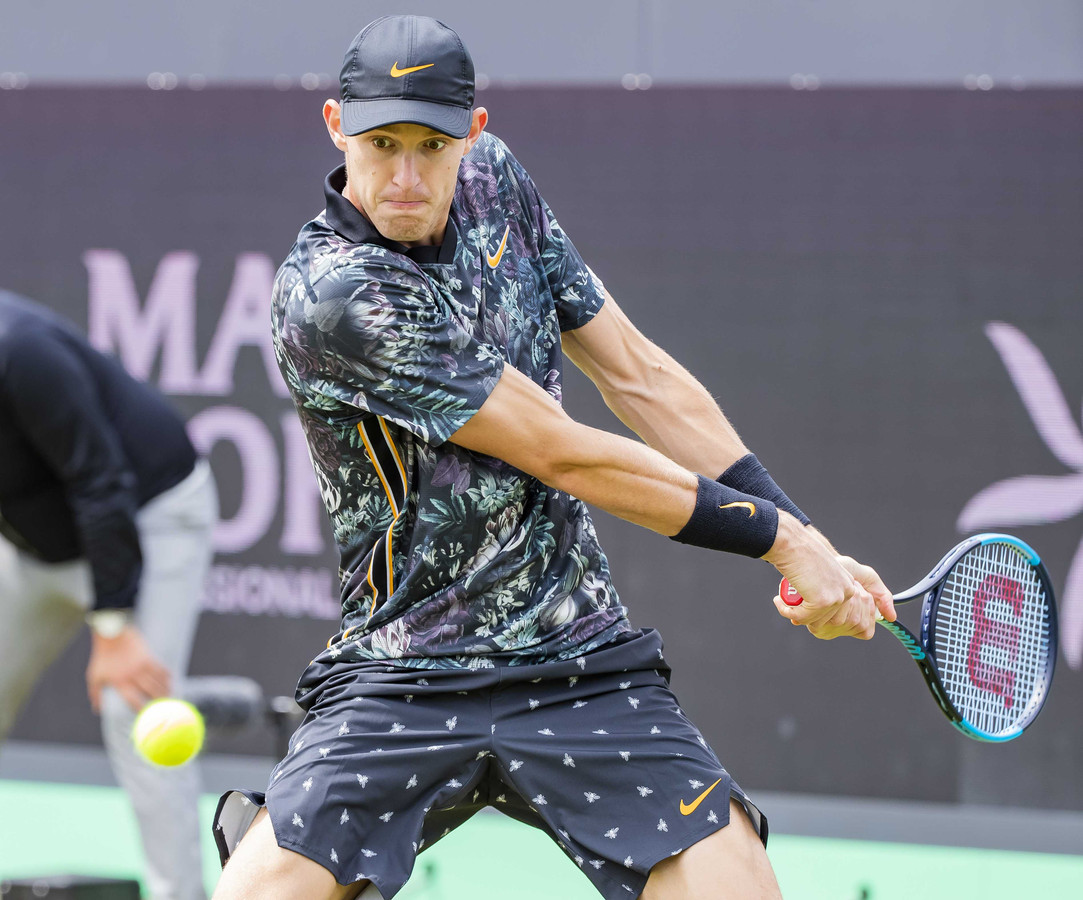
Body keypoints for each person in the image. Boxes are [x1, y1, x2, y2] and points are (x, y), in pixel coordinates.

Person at [211, 15, 895, 900]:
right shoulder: (334, 295)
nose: (408, 176)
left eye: (433, 145)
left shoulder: (496, 183)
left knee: (738, 888)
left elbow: (636, 373)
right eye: (382, 145)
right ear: (337, 126)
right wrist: (778, 542)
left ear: (475, 134)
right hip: (404, 669)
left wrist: (807, 539)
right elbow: (563, 454)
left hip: (575, 655)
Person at [0, 289, 218, 900]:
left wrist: (114, 628)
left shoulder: (22, 353)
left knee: (137, 710)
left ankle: (182, 894)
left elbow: (101, 483)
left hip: (151, 517)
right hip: (34, 547)